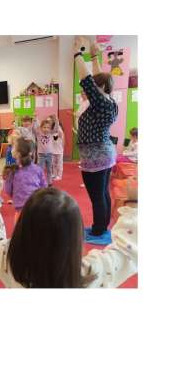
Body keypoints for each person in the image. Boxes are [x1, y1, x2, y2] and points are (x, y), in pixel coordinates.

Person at [0, 178, 137, 288]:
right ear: (75, 237)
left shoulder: (7, 259)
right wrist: (133, 204)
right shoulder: (92, 273)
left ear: (22, 228)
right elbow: (126, 251)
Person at [75, 36, 119, 244]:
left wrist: (77, 54)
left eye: (93, 86)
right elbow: (100, 79)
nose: (87, 89)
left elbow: (88, 80)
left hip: (96, 157)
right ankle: (102, 226)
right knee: (102, 193)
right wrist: (94, 57)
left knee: (97, 195)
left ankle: (99, 229)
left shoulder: (101, 102)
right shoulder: (108, 100)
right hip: (102, 155)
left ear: (99, 87)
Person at [3, 137, 47, 216]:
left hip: (21, 208)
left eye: (13, 147)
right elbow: (44, 187)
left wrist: (17, 196)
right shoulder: (38, 169)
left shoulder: (12, 171)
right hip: (36, 207)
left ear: (18, 154)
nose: (11, 148)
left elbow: (7, 190)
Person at [33, 114, 64, 187]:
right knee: (41, 169)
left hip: (50, 154)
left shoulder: (51, 133)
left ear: (50, 128)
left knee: (49, 169)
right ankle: (40, 182)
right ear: (41, 128)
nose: (46, 129)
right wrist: (35, 119)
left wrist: (56, 120)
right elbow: (35, 128)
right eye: (44, 127)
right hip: (41, 155)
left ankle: (49, 183)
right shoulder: (39, 134)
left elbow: (56, 128)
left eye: (48, 127)